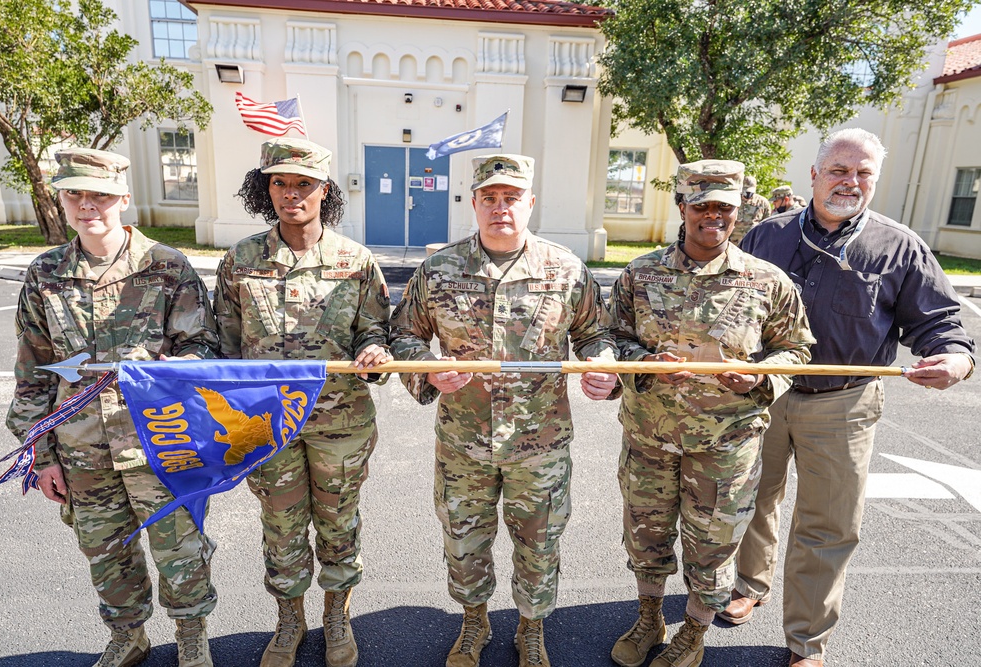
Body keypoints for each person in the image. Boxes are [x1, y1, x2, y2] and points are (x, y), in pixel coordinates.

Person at [725, 128, 976, 667]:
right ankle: (748, 583)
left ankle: (806, 642)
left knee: (829, 525)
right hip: (761, 398)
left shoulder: (899, 246)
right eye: (839, 170)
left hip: (844, 403)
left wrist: (956, 359)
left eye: (864, 174)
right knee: (750, 501)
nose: (851, 182)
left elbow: (942, 322)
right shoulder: (765, 236)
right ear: (813, 175)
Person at [388, 154, 620, 667]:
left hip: (540, 445)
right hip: (463, 443)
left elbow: (596, 334)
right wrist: (425, 370)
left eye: (511, 198)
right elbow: (403, 334)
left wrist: (603, 367)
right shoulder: (439, 270)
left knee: (539, 545)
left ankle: (531, 628)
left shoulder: (565, 270)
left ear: (529, 203)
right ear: (473, 203)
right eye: (489, 199)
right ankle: (474, 622)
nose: (500, 209)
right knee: (464, 541)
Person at [6, 148, 220, 667]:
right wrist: (42, 454)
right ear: (61, 199)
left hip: (160, 439)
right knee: (104, 549)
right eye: (74, 193)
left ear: (123, 197)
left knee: (179, 546)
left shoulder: (165, 266)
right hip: (80, 446)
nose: (86, 205)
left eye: (98, 194)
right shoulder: (46, 273)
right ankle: (128, 634)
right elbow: (33, 367)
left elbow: (204, 349)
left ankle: (191, 633)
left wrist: (170, 367)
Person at [607, 160, 814, 667]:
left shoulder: (767, 281)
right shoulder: (640, 274)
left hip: (726, 447)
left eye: (724, 206)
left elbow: (797, 349)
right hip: (649, 439)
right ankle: (650, 616)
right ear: (682, 207)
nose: (713, 216)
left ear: (739, 209)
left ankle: (693, 633)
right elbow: (611, 340)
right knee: (646, 535)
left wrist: (761, 376)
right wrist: (644, 366)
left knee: (713, 547)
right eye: (702, 205)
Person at [213, 138, 392, 667]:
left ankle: (337, 616)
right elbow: (219, 340)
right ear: (264, 189)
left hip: (340, 422)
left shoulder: (355, 261)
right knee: (281, 523)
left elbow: (375, 329)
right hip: (263, 423)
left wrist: (375, 349)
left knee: (339, 521)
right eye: (280, 183)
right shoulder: (241, 260)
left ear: (325, 190)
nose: (291, 194)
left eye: (303, 184)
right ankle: (290, 619)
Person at [728, 174, 771, 246]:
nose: (747, 194)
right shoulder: (733, 200)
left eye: (750, 192)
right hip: (733, 243)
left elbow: (767, 224)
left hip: (753, 243)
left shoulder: (762, 203)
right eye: (745, 191)